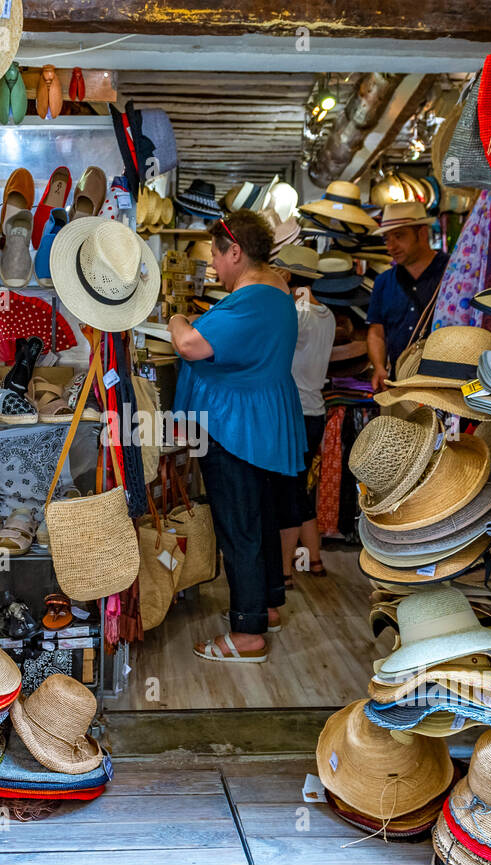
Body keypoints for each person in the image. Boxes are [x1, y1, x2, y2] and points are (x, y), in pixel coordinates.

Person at [169, 210, 306, 664]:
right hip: (259, 421)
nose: (212, 264)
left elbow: (191, 346)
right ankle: (264, 607)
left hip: (235, 425)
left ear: (236, 251)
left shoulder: (253, 299)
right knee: (259, 518)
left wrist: (176, 318)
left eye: (215, 253)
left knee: (239, 526)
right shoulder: (275, 290)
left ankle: (247, 634)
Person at [274, 258, 334, 588]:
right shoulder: (328, 315)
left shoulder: (298, 315)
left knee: (288, 493)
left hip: (293, 413)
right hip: (316, 411)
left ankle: (284, 572)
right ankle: (314, 559)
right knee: (301, 489)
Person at [365, 201, 446, 391]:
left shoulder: (452, 273)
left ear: (422, 233)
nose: (391, 246)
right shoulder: (384, 281)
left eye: (399, 236)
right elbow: (377, 332)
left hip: (442, 384)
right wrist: (378, 367)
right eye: (387, 239)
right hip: (398, 383)